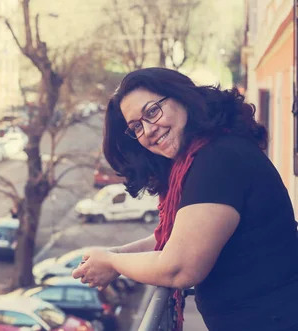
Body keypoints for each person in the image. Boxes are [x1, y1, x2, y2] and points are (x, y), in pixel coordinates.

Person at [72, 67, 298, 331]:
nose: (148, 130)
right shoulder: (208, 152)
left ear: (181, 97)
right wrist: (117, 255)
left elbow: (179, 268)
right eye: (136, 126)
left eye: (152, 111)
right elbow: (179, 238)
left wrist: (112, 262)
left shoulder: (218, 159)